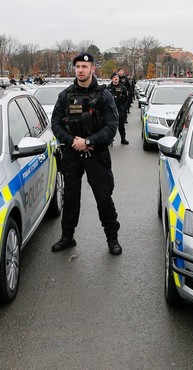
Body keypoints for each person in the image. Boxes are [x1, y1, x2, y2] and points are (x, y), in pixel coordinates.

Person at [50, 52, 123, 255]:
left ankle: (112, 238)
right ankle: (67, 237)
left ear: (93, 69)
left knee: (103, 198)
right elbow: (55, 124)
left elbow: (111, 126)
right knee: (71, 198)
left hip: (96, 154)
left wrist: (89, 141)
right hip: (72, 154)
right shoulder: (65, 96)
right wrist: (72, 141)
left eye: (84, 66)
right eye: (78, 67)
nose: (80, 70)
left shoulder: (103, 95)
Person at [107, 72, 129, 144]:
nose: (116, 78)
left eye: (117, 77)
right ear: (112, 79)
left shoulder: (122, 87)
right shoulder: (108, 88)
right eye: (114, 77)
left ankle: (123, 138)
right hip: (111, 109)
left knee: (121, 125)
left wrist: (123, 107)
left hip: (120, 108)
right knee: (110, 125)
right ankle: (110, 139)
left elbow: (126, 98)